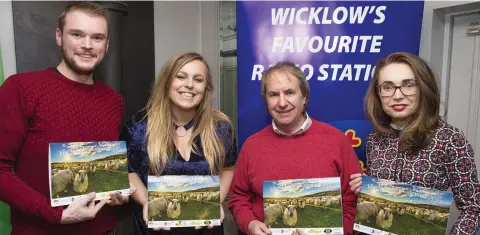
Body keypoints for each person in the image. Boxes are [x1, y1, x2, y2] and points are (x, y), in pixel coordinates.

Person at [0, 2, 131, 235]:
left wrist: (115, 190)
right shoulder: (21, 88)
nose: (87, 45)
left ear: (107, 44)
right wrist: (56, 215)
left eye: (97, 37)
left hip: (104, 230)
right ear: (59, 36)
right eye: (77, 34)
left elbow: (103, 169)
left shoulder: (114, 101)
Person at [349, 52, 480, 234]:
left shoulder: (450, 139)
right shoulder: (375, 139)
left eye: (408, 85)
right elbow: (385, 196)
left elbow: (473, 209)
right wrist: (367, 187)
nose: (397, 95)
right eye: (387, 87)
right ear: (378, 93)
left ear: (423, 88)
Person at [227, 61, 362, 235]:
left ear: (304, 97)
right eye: (274, 94)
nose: (282, 103)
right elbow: (238, 198)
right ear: (266, 101)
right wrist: (250, 224)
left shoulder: (337, 141)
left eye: (290, 92)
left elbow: (353, 201)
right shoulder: (252, 146)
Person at [121, 52, 238, 235]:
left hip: (206, 228)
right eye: (181, 76)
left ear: (206, 88)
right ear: (167, 82)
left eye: (198, 79)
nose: (189, 85)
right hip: (155, 229)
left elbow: (228, 168)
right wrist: (146, 201)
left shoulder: (221, 127)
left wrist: (215, 202)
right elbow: (127, 170)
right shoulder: (138, 127)